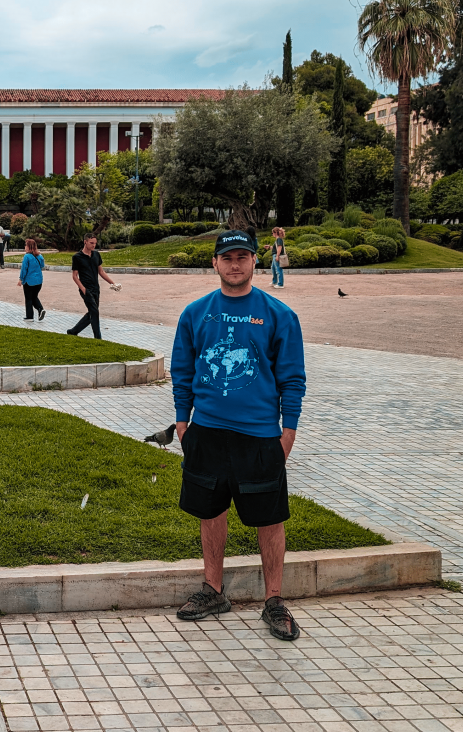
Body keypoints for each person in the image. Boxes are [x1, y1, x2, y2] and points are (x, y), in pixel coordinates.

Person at [172, 230, 306, 642]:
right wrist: (182, 421)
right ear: (215, 263)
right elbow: (183, 371)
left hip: (260, 436)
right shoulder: (196, 313)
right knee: (210, 512)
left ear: (255, 262)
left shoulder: (278, 314)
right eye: (227, 257)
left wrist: (287, 431)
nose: (235, 264)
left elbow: (292, 379)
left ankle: (274, 600)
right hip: (207, 432)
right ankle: (213, 590)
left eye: (242, 257)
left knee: (270, 519)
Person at [67, 234, 120, 339]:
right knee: (94, 312)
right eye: (91, 243)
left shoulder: (96, 255)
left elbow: (101, 271)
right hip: (86, 289)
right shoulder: (77, 257)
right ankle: (98, 338)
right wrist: (83, 289)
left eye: (95, 243)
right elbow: (74, 276)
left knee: (92, 312)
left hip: (96, 288)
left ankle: (73, 331)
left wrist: (113, 283)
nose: (94, 245)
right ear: (85, 242)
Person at [17, 238, 46, 320]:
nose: (25, 247)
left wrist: (20, 279)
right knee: (34, 297)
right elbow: (42, 266)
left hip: (29, 281)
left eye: (26, 245)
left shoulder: (27, 256)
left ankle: (30, 315)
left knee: (29, 299)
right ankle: (40, 309)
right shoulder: (40, 256)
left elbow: (24, 269)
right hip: (39, 281)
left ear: (29, 247)